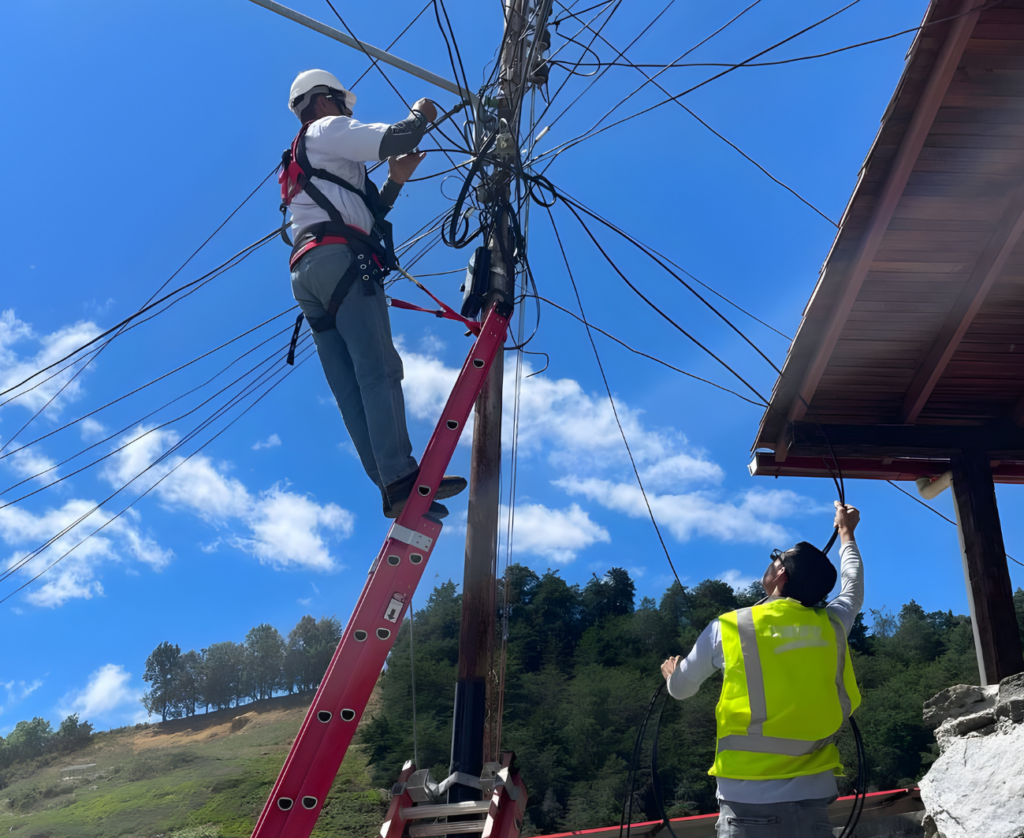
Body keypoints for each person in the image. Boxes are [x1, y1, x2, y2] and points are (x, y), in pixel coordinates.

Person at [282, 69, 466, 520]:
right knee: (378, 370)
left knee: (350, 387)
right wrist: (421, 112)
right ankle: (400, 477)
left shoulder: (309, 158)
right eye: (344, 104)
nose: (348, 112)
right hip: (340, 261)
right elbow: (402, 134)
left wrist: (396, 180)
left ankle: (391, 485)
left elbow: (365, 211)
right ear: (324, 102)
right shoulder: (326, 129)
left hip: (307, 271)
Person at [660, 501, 863, 837]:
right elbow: (852, 588)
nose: (772, 561)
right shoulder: (833, 625)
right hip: (814, 801)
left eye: (776, 557)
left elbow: (682, 689)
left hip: (747, 804)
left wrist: (673, 672)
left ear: (781, 574)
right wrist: (846, 534)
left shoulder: (730, 627)